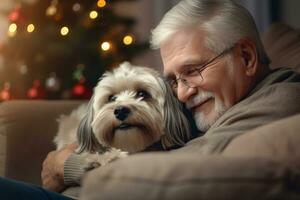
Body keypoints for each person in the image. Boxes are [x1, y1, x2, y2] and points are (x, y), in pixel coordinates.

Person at [1, 0, 300, 199]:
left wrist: (67, 165)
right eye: (173, 80)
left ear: (246, 57)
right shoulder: (223, 103)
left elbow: (175, 173)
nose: (182, 93)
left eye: (192, 71)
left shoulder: (280, 100)